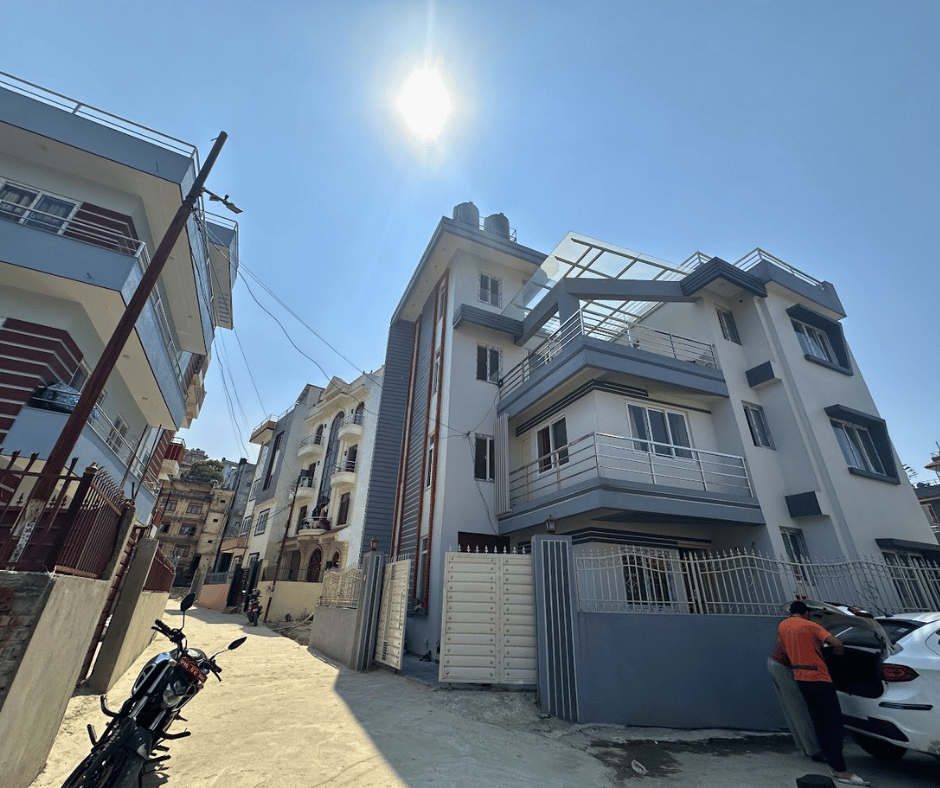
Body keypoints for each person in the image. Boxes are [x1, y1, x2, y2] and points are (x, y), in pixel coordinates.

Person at [778, 600, 869, 787]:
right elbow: (836, 642)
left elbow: (785, 646)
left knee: (819, 721)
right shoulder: (811, 626)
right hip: (819, 678)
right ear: (806, 613)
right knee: (834, 724)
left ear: (791, 613)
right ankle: (840, 770)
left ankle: (830, 760)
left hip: (800, 677)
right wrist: (838, 656)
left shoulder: (783, 626)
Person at [766, 637, 823, 761]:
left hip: (775, 661)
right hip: (784, 666)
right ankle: (814, 750)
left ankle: (805, 746)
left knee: (791, 708)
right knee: (799, 708)